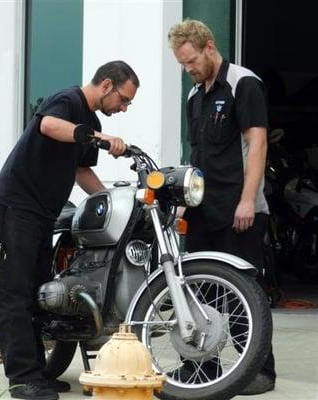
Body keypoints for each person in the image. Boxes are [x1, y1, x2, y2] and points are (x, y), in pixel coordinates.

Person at [0, 60, 139, 400]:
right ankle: (23, 379)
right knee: (16, 297)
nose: (124, 108)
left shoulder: (91, 120)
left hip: (40, 216)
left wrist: (111, 201)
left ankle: (38, 373)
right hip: (13, 209)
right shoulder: (68, 100)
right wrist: (100, 136)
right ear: (108, 86)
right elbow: (48, 126)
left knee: (40, 296)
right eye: (124, 100)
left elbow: (80, 170)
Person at [168, 20, 276, 395]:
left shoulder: (244, 84)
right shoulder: (194, 97)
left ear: (209, 46)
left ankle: (259, 371)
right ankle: (202, 367)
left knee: (244, 293)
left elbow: (257, 145)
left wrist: (248, 199)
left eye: (192, 61)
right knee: (199, 292)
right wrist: (183, 204)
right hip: (202, 210)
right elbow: (193, 155)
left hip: (239, 210)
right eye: (183, 64)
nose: (188, 69)